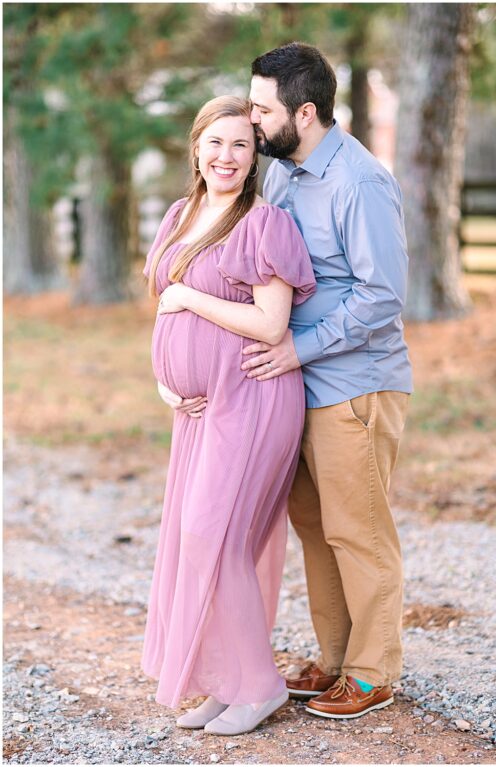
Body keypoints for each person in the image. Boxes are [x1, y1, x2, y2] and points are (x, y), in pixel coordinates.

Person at [240, 42, 413, 720]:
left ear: (304, 112)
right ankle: (336, 656)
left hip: (354, 384)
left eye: (262, 109)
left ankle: (373, 673)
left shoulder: (360, 182)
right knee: (314, 525)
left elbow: (381, 296)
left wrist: (298, 347)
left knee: (358, 529)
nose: (253, 121)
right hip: (299, 386)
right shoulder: (284, 173)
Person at [142, 95, 316, 736]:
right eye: (215, 142)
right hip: (196, 408)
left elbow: (271, 324)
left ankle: (261, 685)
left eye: (241, 144)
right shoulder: (177, 217)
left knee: (211, 536)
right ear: (196, 147)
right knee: (202, 545)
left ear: (254, 158)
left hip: (252, 398)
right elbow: (162, 314)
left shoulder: (263, 224)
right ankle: (225, 681)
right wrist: (165, 383)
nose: (226, 155)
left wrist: (188, 292)